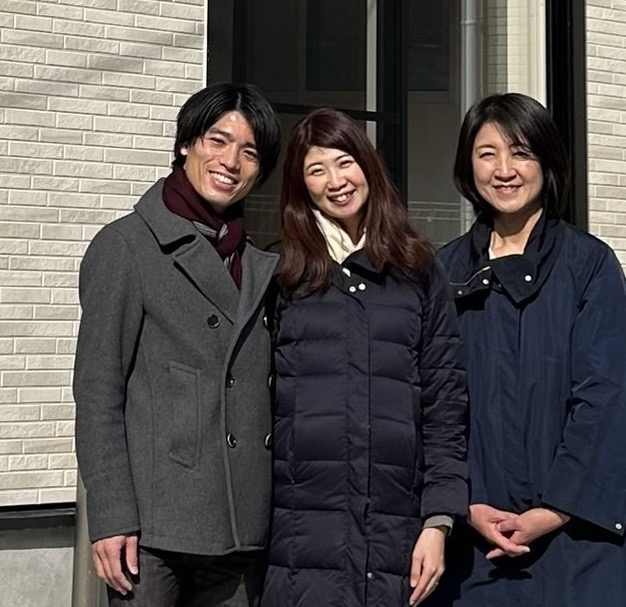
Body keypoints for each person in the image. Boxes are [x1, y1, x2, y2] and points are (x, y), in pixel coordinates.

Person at [73, 83, 281, 606]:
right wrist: (111, 515)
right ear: (186, 143)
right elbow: (98, 394)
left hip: (241, 528)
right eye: (218, 140)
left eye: (250, 151)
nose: (230, 161)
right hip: (151, 530)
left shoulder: (257, 263)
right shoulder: (126, 246)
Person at [260, 108, 468, 607]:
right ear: (301, 186)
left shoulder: (418, 270)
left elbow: (445, 406)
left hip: (398, 533)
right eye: (316, 170)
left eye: (344, 162)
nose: (336, 181)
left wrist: (438, 521)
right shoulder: (281, 273)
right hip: (299, 536)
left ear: (367, 164)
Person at [429, 92, 626, 606]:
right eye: (487, 153)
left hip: (576, 538)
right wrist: (464, 502)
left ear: (547, 162)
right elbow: (431, 402)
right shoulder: (443, 271)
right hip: (472, 541)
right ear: (467, 166)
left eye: (521, 152)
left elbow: (606, 397)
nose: (504, 170)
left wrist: (555, 509)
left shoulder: (589, 265)